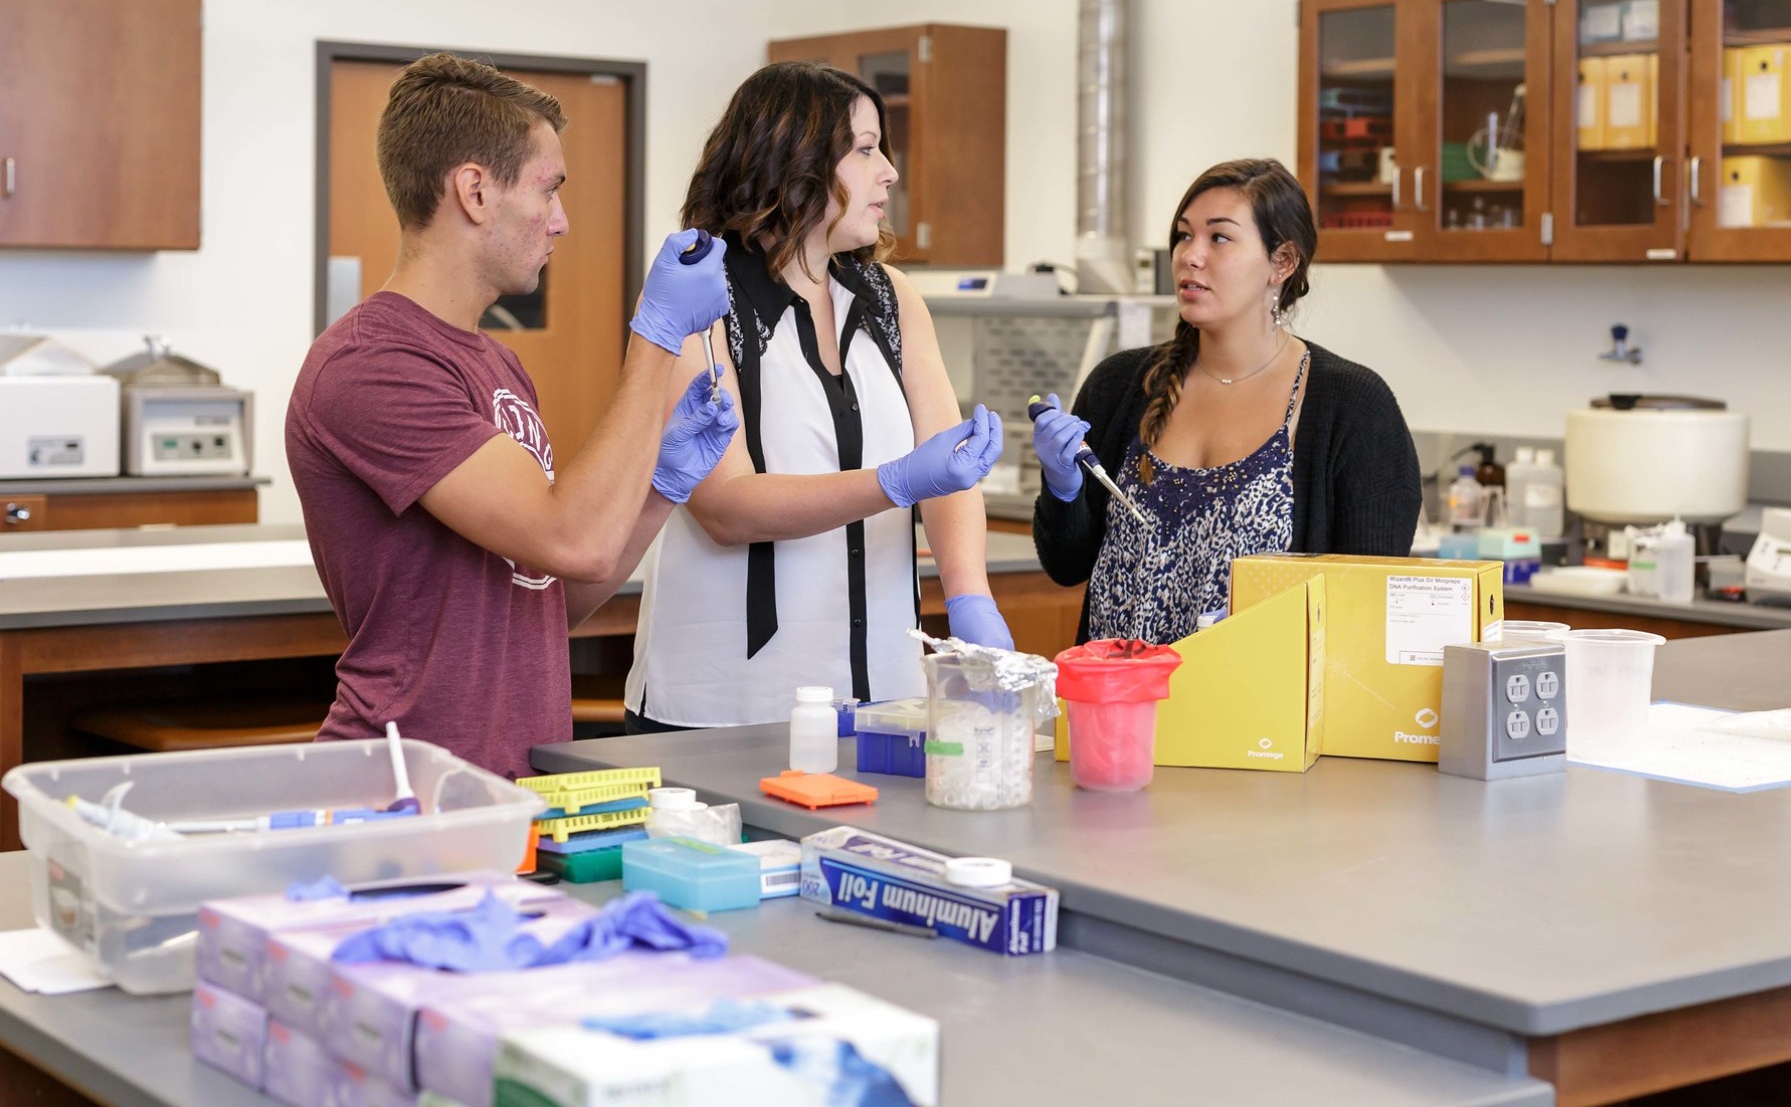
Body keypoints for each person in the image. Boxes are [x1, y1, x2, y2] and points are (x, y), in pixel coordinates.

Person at [286, 53, 736, 778]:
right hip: (408, 789)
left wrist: (660, 486)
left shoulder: (495, 364)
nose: (561, 222)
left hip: (510, 783)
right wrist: (654, 341)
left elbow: (545, 603)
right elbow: (575, 541)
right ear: (474, 191)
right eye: (548, 189)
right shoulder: (373, 365)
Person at [623, 61, 1010, 730]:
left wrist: (970, 598)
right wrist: (893, 481)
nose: (888, 170)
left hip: (885, 693)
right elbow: (724, 506)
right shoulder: (701, 298)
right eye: (864, 149)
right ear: (792, 159)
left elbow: (949, 468)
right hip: (730, 706)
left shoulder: (889, 298)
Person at [1032, 157, 1421, 645]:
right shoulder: (1120, 385)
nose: (1190, 256)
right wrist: (1062, 486)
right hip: (1119, 710)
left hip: (1263, 717)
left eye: (1219, 238)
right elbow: (1066, 567)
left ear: (1281, 262)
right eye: (1183, 236)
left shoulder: (1353, 406)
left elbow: (1364, 610)